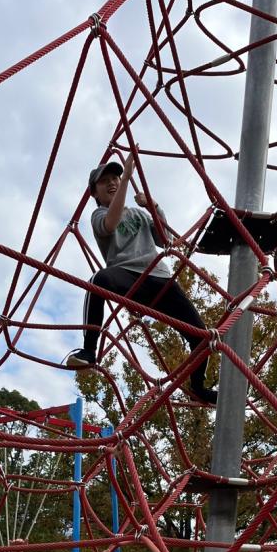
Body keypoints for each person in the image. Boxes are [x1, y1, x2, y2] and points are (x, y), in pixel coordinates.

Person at [65, 154, 217, 404]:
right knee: (97, 281)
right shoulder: (98, 215)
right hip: (127, 276)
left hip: (159, 278)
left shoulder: (139, 214)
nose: (112, 183)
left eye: (115, 178)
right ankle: (89, 351)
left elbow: (165, 240)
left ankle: (198, 388)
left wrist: (153, 206)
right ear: (94, 192)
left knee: (201, 337)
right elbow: (111, 223)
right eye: (104, 181)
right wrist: (126, 178)